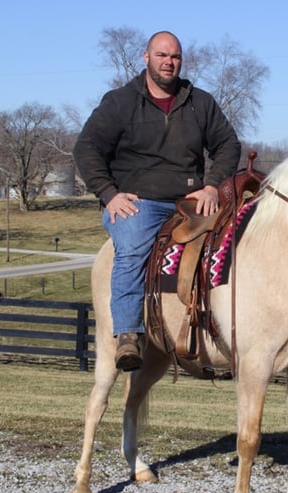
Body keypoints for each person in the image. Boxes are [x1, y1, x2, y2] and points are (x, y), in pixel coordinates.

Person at [74, 30, 241, 371]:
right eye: (162, 55)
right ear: (146, 57)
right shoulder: (120, 102)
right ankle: (128, 335)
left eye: (175, 56)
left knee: (235, 238)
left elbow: (227, 145)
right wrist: (108, 193)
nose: (169, 62)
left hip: (190, 200)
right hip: (139, 201)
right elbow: (87, 148)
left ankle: (220, 328)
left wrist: (211, 186)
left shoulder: (200, 102)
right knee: (134, 245)